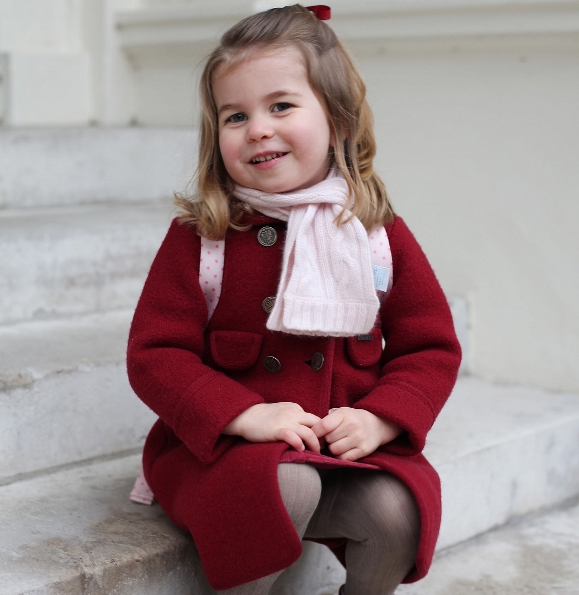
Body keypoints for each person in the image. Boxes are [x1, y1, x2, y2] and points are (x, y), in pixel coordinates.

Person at [127, 4, 461, 595]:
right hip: (228, 454)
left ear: (337, 120)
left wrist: (382, 417)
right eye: (236, 115)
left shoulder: (375, 235)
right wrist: (243, 414)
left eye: (281, 105)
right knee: (288, 490)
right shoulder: (205, 238)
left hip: (340, 451)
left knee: (397, 511)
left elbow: (430, 347)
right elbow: (155, 353)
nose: (257, 127)